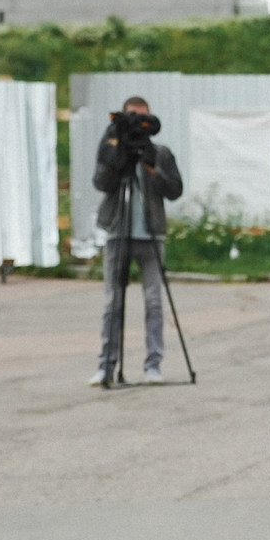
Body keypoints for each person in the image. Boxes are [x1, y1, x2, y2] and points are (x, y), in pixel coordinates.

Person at [89, 96, 185, 386]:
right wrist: (117, 161)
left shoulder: (160, 153)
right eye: (131, 117)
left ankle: (153, 365)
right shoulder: (112, 148)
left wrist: (151, 169)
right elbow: (100, 182)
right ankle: (106, 366)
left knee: (154, 301)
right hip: (118, 231)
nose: (136, 124)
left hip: (151, 233)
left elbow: (175, 189)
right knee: (113, 302)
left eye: (142, 119)